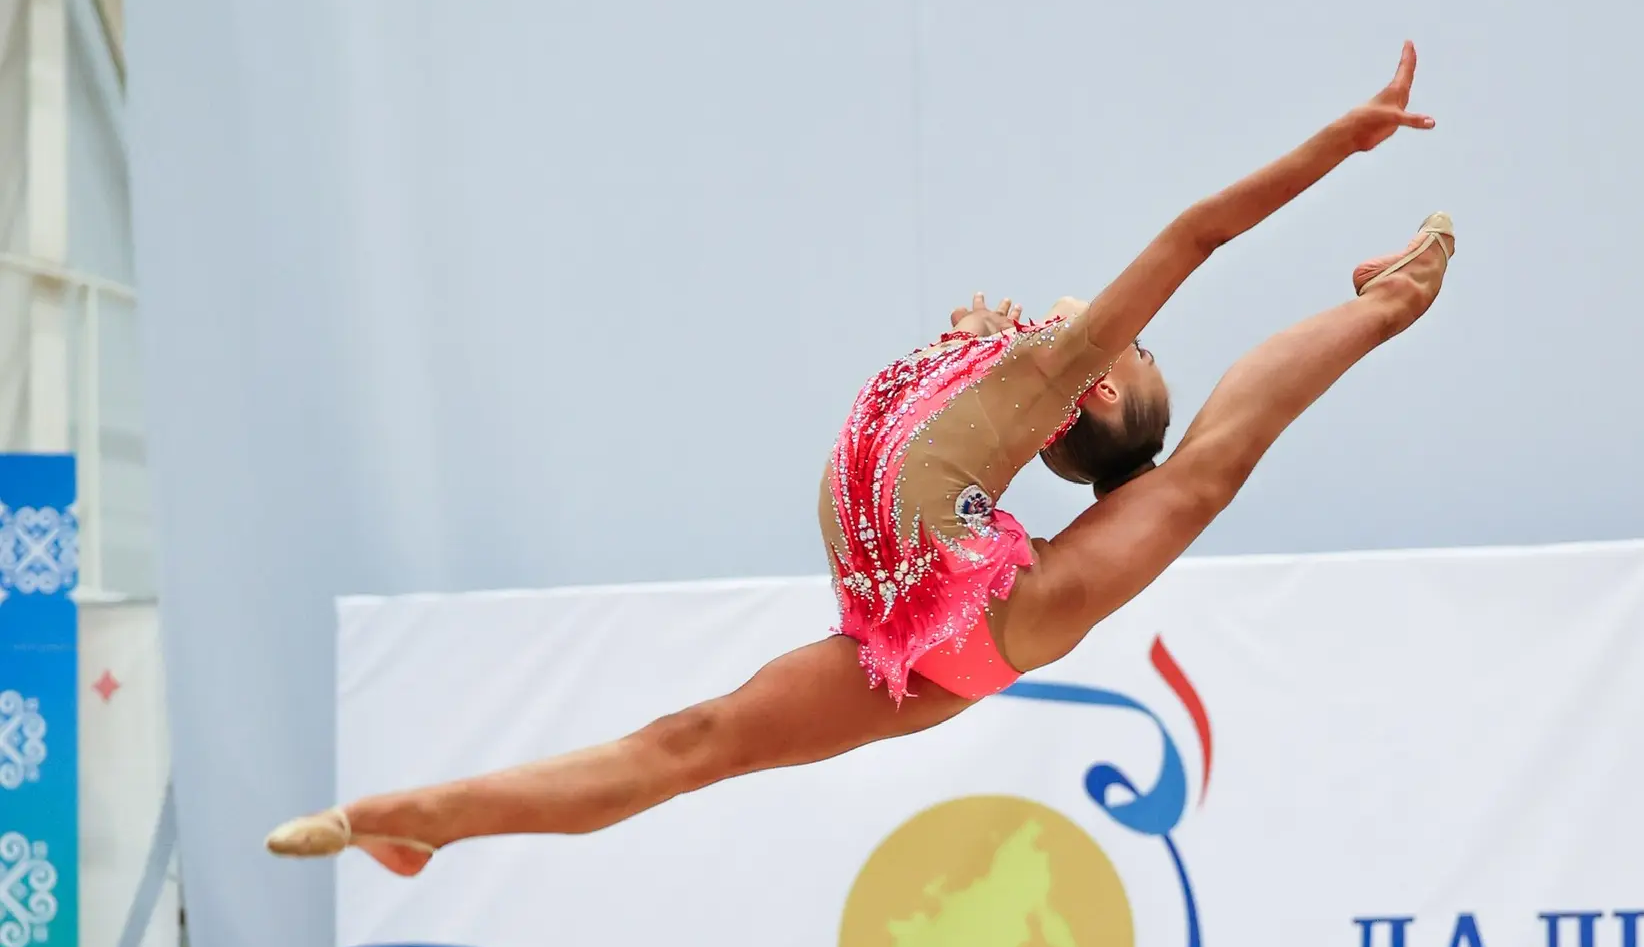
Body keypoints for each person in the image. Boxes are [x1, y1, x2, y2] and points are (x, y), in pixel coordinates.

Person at [267, 43, 1453, 877]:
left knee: (1202, 473)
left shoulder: (1053, 366)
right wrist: (972, 339)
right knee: (689, 743)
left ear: (1098, 382)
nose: (1121, 326)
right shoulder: (992, 359)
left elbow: (1200, 232)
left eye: (1133, 345)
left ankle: (1391, 300)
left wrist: (1336, 144)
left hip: (994, 608)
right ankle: (420, 821)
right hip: (898, 642)